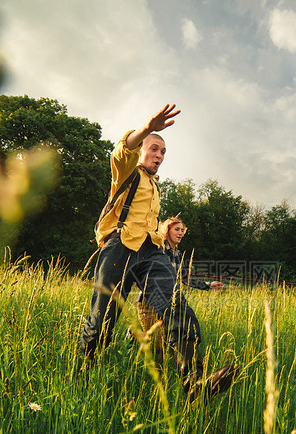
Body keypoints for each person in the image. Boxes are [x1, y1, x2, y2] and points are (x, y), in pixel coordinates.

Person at [79, 104, 236, 403]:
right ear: (141, 151)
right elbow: (122, 149)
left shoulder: (155, 186)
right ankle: (83, 375)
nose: (159, 156)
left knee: (177, 307)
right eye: (154, 149)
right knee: (102, 321)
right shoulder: (127, 172)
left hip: (151, 251)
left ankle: (195, 383)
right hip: (119, 246)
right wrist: (147, 127)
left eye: (163, 153)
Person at [137, 216, 223, 342]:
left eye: (182, 230)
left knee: (168, 342)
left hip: (168, 303)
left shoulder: (178, 255)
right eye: (177, 229)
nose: (181, 233)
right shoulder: (157, 250)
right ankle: (134, 335)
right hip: (149, 302)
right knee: (157, 345)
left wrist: (208, 285)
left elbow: (184, 279)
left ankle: (136, 338)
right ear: (167, 230)